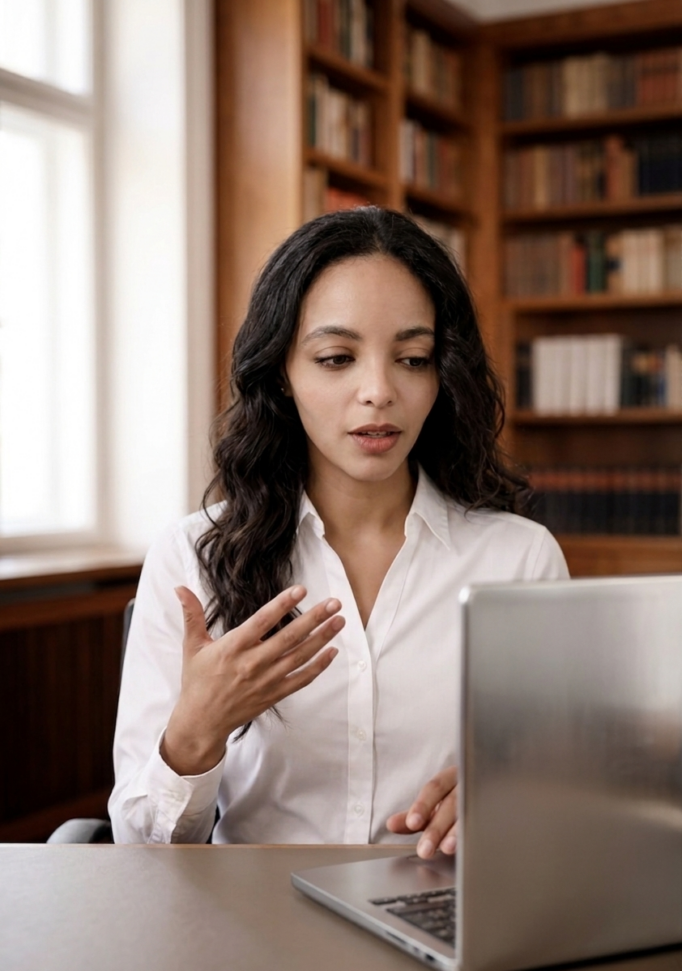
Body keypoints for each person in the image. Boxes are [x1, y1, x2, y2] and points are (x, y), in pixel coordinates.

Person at [109, 207, 568, 851]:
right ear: (282, 375)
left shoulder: (519, 560)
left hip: (434, 908)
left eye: (412, 358)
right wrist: (195, 734)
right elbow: (140, 848)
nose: (378, 390)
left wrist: (511, 790)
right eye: (335, 358)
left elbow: (556, 784)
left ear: (444, 373)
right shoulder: (191, 556)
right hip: (251, 924)